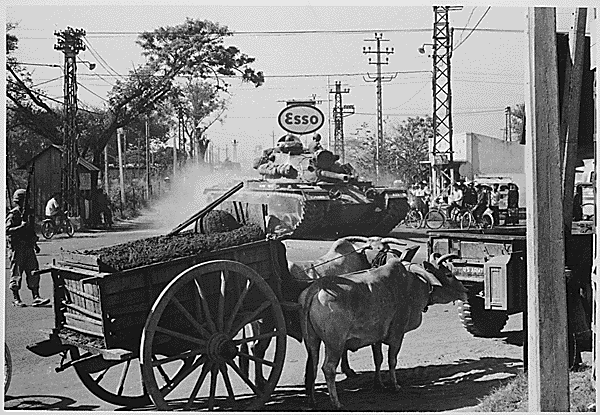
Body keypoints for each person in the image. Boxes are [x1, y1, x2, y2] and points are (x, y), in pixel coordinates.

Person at [6, 189, 49, 307]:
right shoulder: (13, 214)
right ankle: (16, 298)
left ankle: (36, 296)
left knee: (33, 271)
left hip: (28, 248)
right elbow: (6, 230)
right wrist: (20, 227)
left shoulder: (28, 214)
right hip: (17, 249)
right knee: (16, 273)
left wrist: (35, 244)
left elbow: (30, 231)